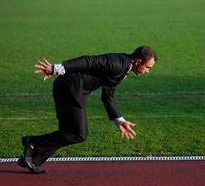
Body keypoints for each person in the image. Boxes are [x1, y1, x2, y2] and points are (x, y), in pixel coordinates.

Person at [17, 45, 158, 173]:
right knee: (79, 134)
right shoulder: (118, 63)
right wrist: (57, 68)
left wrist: (119, 121)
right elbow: (89, 60)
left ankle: (32, 158)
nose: (147, 71)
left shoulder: (124, 68)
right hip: (70, 89)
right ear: (138, 62)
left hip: (70, 88)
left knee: (67, 132)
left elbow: (107, 96)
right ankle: (32, 143)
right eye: (148, 68)